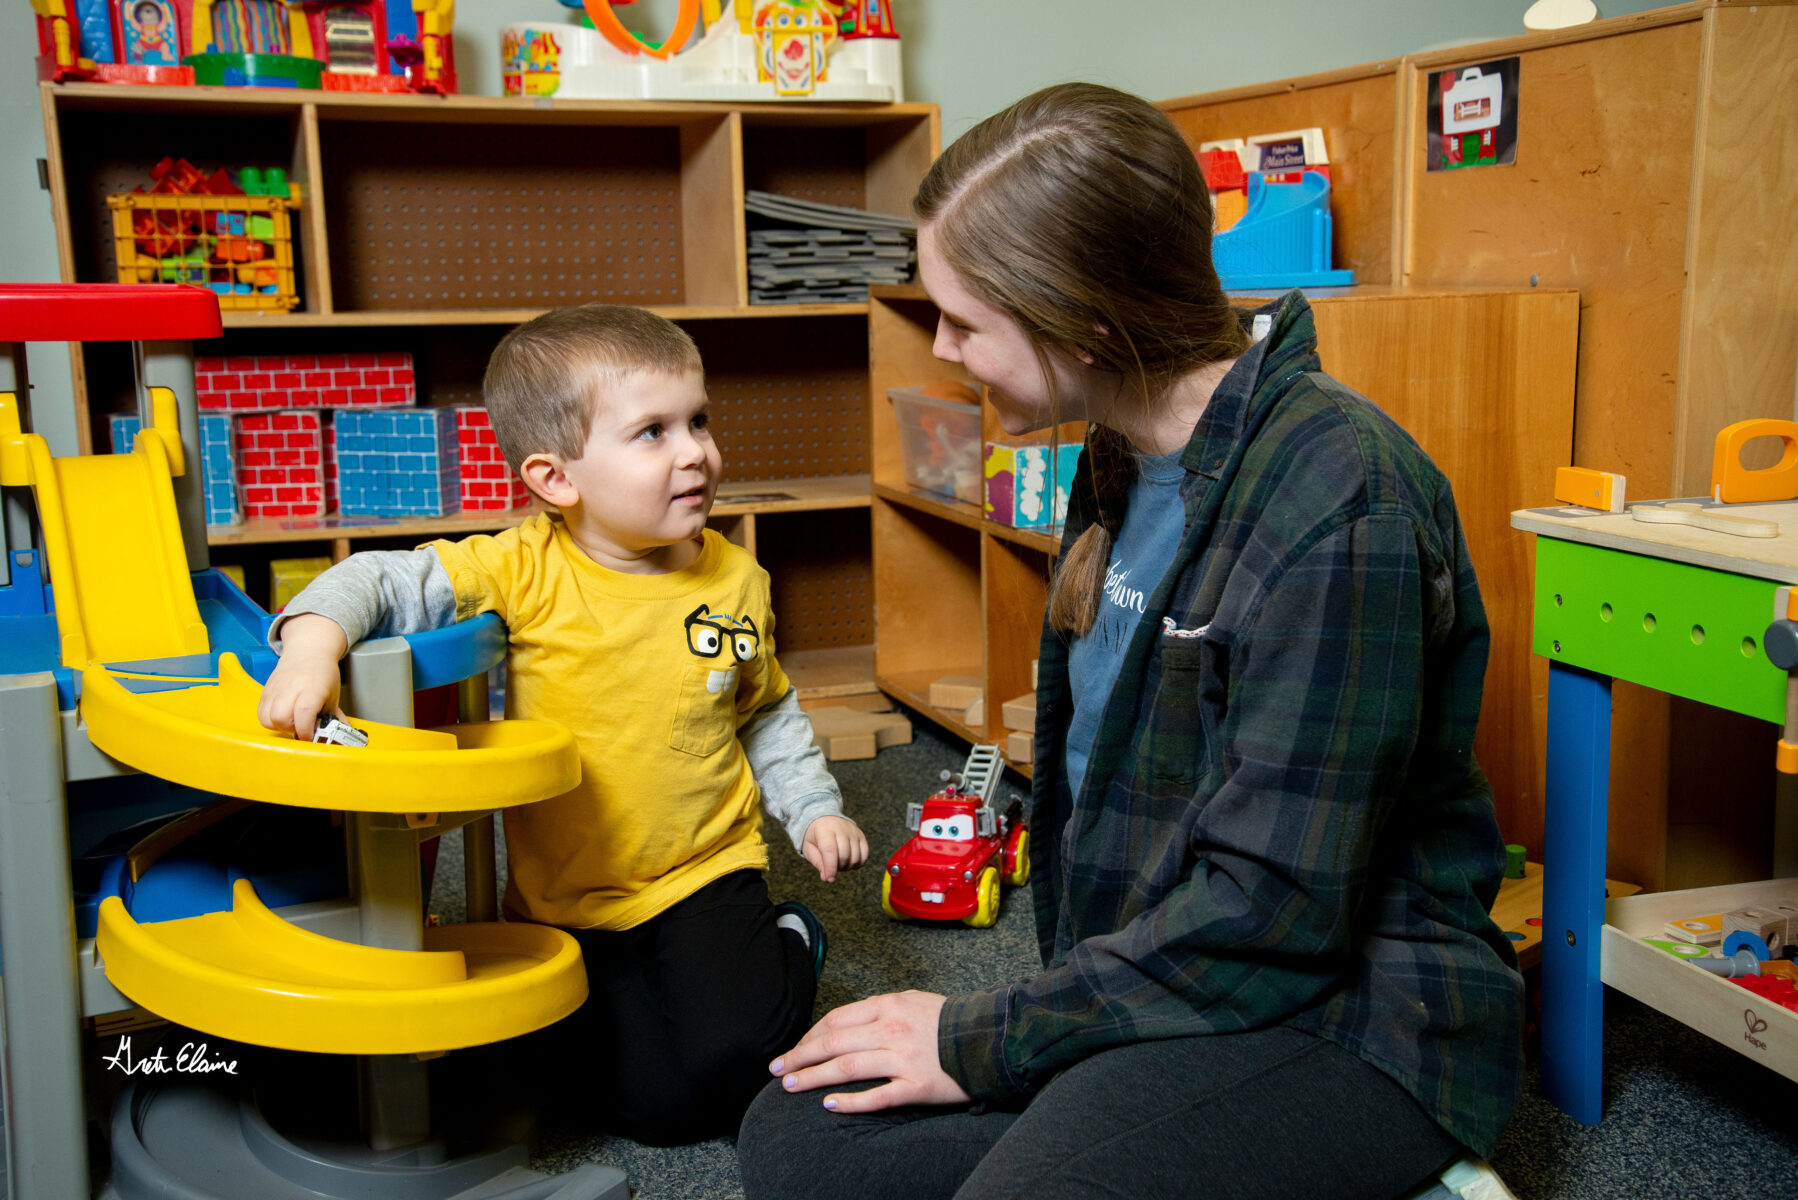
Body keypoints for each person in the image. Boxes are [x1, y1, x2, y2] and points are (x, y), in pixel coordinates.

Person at [737, 82, 1524, 1200]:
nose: (944, 348)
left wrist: (979, 1035)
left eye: (967, 321)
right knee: (802, 1130)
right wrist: (1016, 1036)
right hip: (1176, 978)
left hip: (1349, 1014)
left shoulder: (1346, 506)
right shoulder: (1117, 450)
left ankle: (1417, 1172)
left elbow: (1273, 918)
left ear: (1088, 323)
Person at [257, 303, 869, 1145]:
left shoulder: (737, 578)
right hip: (567, 897)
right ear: (556, 480)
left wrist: (814, 807)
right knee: (633, 1107)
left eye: (698, 420)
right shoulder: (522, 568)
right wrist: (309, 644)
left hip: (704, 869)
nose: (695, 450)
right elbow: (382, 578)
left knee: (742, 1073)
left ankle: (791, 939)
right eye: (652, 432)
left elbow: (764, 707)